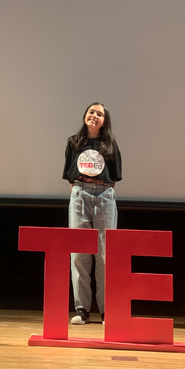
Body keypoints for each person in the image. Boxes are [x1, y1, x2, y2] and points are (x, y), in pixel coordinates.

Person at [62, 102, 122, 325]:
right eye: (91, 112)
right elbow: (70, 175)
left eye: (100, 114)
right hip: (80, 195)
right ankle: (82, 310)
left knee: (105, 254)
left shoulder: (110, 145)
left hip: (104, 196)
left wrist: (99, 192)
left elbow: (114, 178)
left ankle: (106, 311)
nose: (94, 116)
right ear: (85, 115)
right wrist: (81, 192)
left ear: (104, 121)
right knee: (79, 253)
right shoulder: (74, 143)